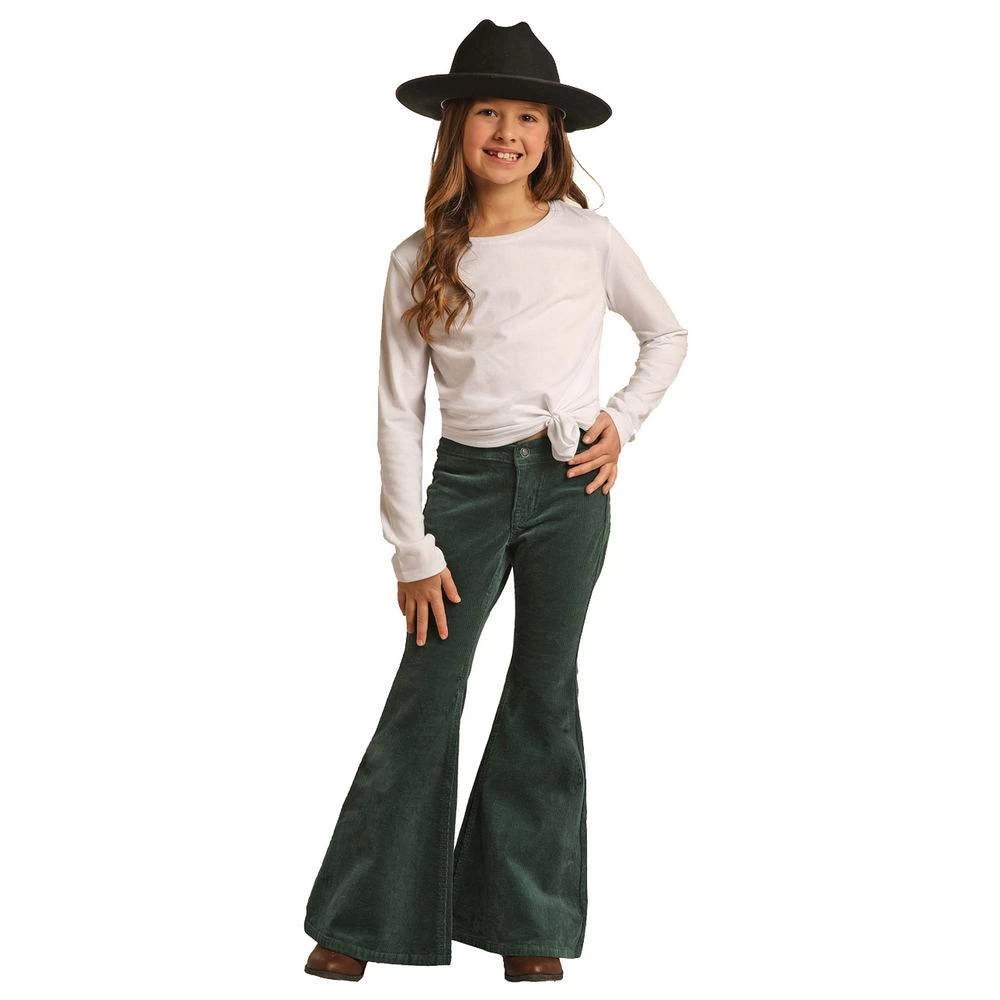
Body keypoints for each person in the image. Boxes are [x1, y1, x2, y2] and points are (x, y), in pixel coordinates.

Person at [303, 19, 688, 983]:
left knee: (543, 693)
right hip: (465, 494)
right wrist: (411, 547)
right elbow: (398, 411)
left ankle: (528, 919)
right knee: (426, 692)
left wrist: (620, 424)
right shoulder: (418, 257)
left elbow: (667, 335)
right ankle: (363, 919)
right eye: (488, 112)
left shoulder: (588, 240)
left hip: (568, 489)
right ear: (456, 128)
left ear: (552, 136)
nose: (507, 132)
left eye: (527, 116)